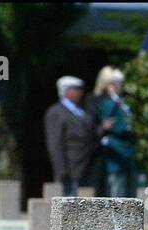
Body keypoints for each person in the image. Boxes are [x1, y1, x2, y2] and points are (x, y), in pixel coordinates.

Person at [44, 76, 96, 197]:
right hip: (70, 168)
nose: (80, 93)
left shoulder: (82, 111)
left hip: (85, 167)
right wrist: (61, 169)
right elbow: (55, 143)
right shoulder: (56, 112)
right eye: (77, 89)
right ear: (67, 91)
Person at [94, 67, 140, 199]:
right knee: (116, 186)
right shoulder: (109, 104)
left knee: (130, 187)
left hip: (127, 150)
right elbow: (112, 125)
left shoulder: (124, 102)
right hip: (115, 149)